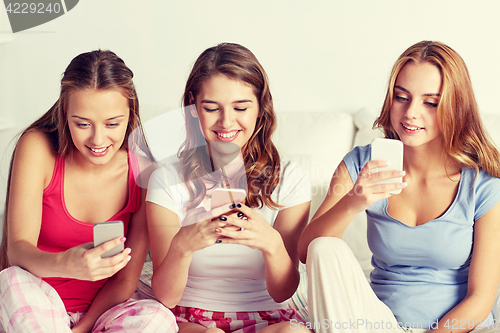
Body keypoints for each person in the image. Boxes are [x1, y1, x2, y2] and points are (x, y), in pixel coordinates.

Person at [298, 40, 500, 333]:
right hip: (378, 323)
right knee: (326, 247)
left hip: (455, 329)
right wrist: (353, 201)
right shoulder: (360, 164)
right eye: (401, 97)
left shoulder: (482, 183)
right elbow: (308, 253)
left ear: (456, 107)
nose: (410, 113)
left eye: (430, 102)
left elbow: (481, 297)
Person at [0, 50, 176, 333]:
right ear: (64, 113)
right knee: (9, 281)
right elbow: (17, 251)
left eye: (112, 124)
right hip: (36, 303)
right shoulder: (37, 148)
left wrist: (83, 328)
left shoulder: (146, 174)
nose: (97, 139)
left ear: (130, 115)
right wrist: (65, 264)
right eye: (82, 124)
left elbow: (124, 281)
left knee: (158, 318)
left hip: (104, 313)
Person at [146, 43, 312, 333]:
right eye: (211, 108)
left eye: (241, 107)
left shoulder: (290, 178)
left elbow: (283, 292)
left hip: (269, 317)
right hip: (191, 319)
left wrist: (270, 242)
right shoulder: (166, 180)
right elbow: (166, 296)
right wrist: (183, 246)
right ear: (193, 106)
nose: (226, 122)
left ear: (261, 107)